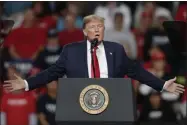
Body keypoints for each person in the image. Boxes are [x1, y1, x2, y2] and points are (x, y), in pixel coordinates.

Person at [3, 15, 185, 95]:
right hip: (79, 106)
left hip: (111, 104)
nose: (97, 30)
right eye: (92, 27)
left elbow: (137, 71)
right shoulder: (71, 50)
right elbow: (51, 73)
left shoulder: (117, 49)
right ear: (84, 31)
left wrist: (161, 85)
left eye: (100, 27)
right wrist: (27, 83)